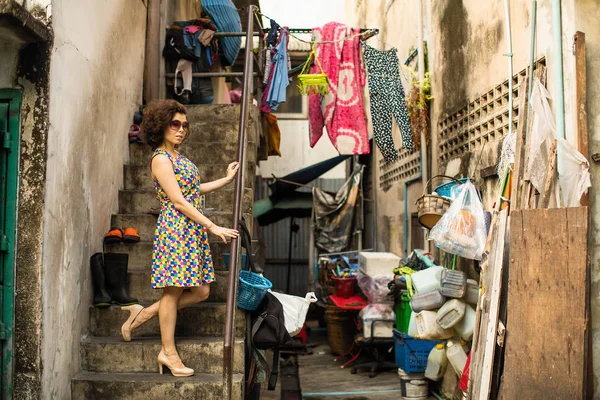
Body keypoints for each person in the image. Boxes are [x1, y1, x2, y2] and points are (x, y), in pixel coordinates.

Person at [120, 99, 239, 377]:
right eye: (175, 124)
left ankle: (144, 314)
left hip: (190, 230)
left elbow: (194, 191)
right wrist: (212, 226)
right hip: (176, 229)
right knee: (172, 293)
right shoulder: (160, 159)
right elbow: (178, 200)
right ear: (161, 126)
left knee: (201, 291)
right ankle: (168, 353)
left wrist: (225, 179)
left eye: (185, 125)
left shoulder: (180, 158)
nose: (181, 129)